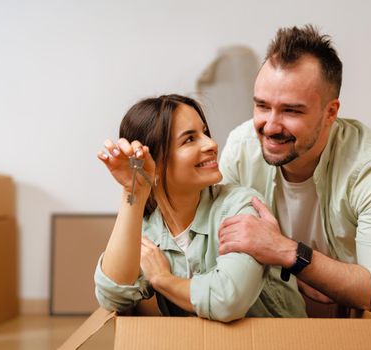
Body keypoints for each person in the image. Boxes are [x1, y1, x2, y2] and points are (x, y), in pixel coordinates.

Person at [218, 25, 371, 349]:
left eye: (291, 110)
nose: (271, 125)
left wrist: (289, 255)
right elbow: (213, 249)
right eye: (262, 106)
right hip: (311, 329)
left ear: (330, 112)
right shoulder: (242, 148)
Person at [94, 94, 306, 322]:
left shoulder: (241, 206)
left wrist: (163, 279)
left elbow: (226, 301)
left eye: (204, 132)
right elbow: (112, 296)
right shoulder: (149, 230)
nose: (211, 144)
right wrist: (132, 191)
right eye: (189, 139)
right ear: (154, 163)